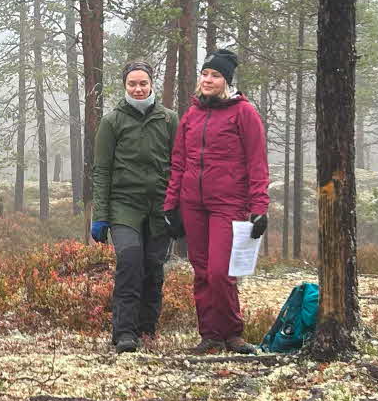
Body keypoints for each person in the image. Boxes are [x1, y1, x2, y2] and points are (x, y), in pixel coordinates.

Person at [162, 48, 269, 356]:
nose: (208, 80)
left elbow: (257, 163)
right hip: (192, 204)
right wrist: (171, 205)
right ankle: (209, 336)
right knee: (202, 271)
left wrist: (259, 208)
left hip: (228, 204)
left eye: (215, 75)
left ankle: (233, 335)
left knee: (221, 272)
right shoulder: (192, 114)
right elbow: (179, 163)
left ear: (227, 81)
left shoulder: (244, 113)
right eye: (205, 74)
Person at [90, 62, 178, 354]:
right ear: (125, 86)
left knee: (153, 267)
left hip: (160, 207)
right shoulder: (112, 121)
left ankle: (147, 328)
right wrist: (100, 216)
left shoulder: (169, 120)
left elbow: (180, 167)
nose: (138, 89)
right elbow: (101, 170)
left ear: (151, 84)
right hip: (124, 207)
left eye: (143, 83)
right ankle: (124, 331)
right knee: (129, 261)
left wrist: (178, 208)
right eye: (132, 84)